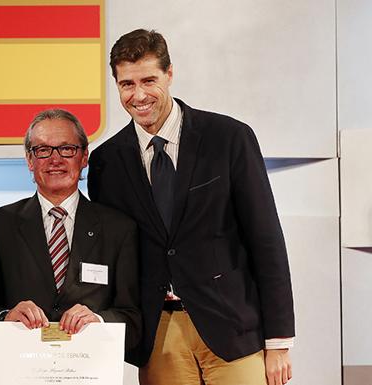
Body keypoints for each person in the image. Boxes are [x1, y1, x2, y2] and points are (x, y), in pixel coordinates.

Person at [87, 29, 295, 385]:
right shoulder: (106, 162)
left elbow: (266, 240)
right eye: (126, 84)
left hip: (232, 328)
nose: (139, 95)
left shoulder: (229, 138)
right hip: (158, 334)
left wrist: (278, 342)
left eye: (149, 80)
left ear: (170, 74)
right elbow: (112, 255)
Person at [0, 109, 141, 350]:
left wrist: (99, 321)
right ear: (29, 160)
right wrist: (5, 317)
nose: (55, 159)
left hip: (89, 369)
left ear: (83, 158)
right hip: (20, 366)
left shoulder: (119, 229)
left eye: (67, 149)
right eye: (42, 150)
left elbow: (133, 318)